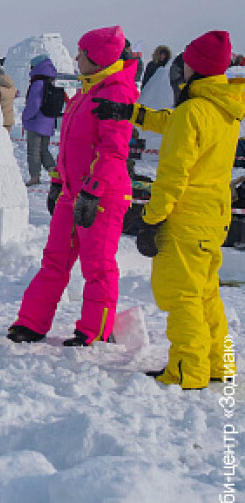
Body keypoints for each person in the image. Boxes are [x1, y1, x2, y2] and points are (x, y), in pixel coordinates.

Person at [92, 31, 242, 389]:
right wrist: (131, 113)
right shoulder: (223, 107)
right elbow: (172, 123)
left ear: (196, 67)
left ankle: (187, 370)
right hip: (212, 217)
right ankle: (219, 364)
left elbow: (173, 177)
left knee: (182, 297)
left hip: (186, 218)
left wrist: (150, 218)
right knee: (206, 295)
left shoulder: (193, 111)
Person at [7, 26, 138, 346]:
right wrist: (56, 183)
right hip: (72, 192)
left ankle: (95, 330)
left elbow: (113, 151)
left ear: (98, 59)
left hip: (101, 195)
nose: (76, 57)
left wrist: (92, 191)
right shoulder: (86, 90)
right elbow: (68, 146)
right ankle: (31, 323)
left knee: (98, 265)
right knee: (55, 260)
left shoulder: (116, 94)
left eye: (82, 53)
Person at [21, 55, 59, 185]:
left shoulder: (38, 83)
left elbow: (34, 104)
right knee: (44, 149)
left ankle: (35, 176)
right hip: (49, 120)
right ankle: (53, 170)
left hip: (36, 121)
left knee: (33, 150)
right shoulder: (51, 80)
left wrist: (25, 116)